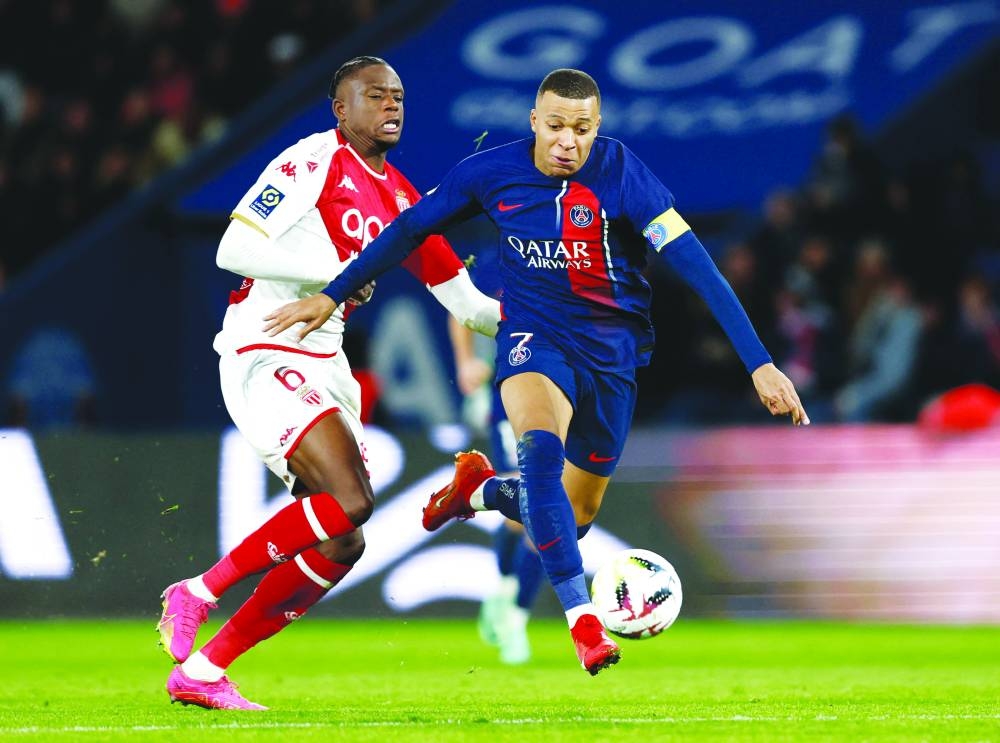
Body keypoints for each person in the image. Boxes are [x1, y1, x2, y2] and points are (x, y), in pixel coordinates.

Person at [263, 68, 809, 675]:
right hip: (532, 338)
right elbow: (410, 228)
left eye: (581, 129)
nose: (567, 141)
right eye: (555, 126)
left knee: (574, 517)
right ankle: (583, 622)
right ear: (534, 122)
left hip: (612, 358)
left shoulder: (623, 174)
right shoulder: (490, 172)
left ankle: (478, 490)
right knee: (540, 455)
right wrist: (333, 293)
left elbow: (698, 266)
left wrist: (760, 363)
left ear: (597, 128)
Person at [155, 56, 500, 710]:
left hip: (326, 363)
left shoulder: (402, 199)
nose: (391, 105)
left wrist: (550, 313)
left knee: (344, 537)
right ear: (341, 109)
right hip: (266, 343)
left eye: (398, 96)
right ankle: (197, 591)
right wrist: (336, 272)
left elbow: (472, 307)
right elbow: (233, 248)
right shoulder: (312, 161)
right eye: (376, 95)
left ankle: (203, 670)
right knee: (351, 497)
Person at [447, 249, 544, 665]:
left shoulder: (582, 256)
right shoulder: (496, 261)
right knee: (524, 509)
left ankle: (515, 618)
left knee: (550, 512)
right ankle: (507, 595)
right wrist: (467, 362)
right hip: (512, 396)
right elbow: (460, 308)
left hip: (569, 396)